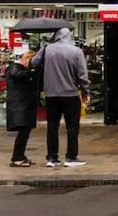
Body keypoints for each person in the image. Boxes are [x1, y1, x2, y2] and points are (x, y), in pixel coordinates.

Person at [30, 28, 89, 168]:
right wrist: (86, 90)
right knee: (72, 127)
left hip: (51, 94)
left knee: (52, 127)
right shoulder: (76, 51)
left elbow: (33, 63)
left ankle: (52, 158)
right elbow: (82, 75)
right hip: (70, 94)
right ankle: (71, 157)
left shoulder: (46, 49)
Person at [6, 49, 38, 167]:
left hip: (23, 105)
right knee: (23, 132)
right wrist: (33, 71)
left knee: (25, 131)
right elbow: (18, 74)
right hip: (20, 105)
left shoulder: (21, 68)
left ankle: (20, 156)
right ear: (26, 58)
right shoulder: (15, 67)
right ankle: (17, 157)